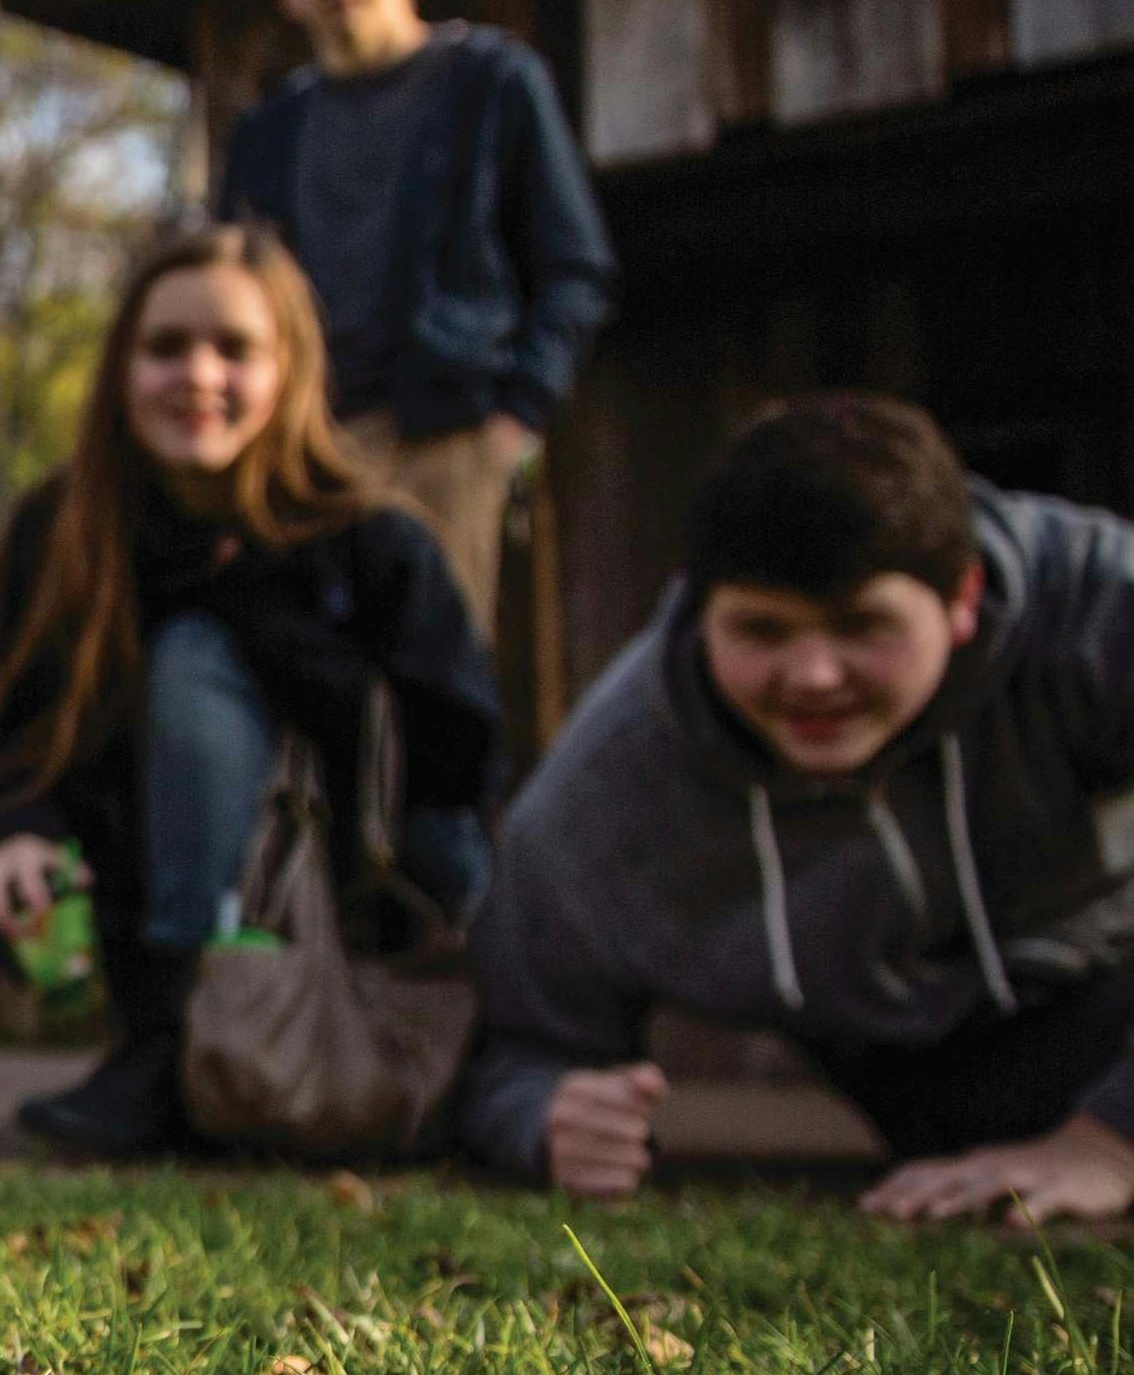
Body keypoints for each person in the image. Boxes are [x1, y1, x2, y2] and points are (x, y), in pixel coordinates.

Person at [462, 396, 1134, 1224]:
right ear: (698, 607)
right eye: (762, 630)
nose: (813, 675)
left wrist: (1113, 1138)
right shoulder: (603, 792)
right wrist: (548, 1113)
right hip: (932, 1082)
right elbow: (517, 1049)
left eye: (863, 624)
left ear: (962, 598)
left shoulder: (1101, 607)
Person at [0, 223, 499, 1154]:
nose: (198, 375)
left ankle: (191, 1044)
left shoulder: (377, 543)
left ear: (289, 369)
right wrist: (17, 836)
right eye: (166, 347)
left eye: (235, 349)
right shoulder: (60, 532)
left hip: (339, 892)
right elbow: (21, 726)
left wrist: (245, 597)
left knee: (194, 660)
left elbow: (454, 762)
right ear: (121, 368)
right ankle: (164, 1040)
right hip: (127, 874)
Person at [215, 0, 617, 635]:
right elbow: (234, 298)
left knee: (437, 678)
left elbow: (575, 267)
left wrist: (514, 422)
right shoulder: (269, 132)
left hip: (450, 435)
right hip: (308, 449)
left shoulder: (491, 81)